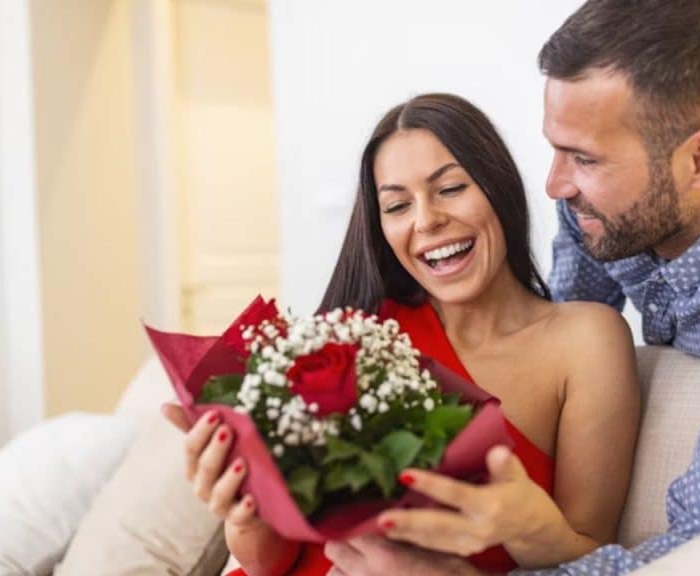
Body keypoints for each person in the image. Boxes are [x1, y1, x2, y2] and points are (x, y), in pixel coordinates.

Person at [325, 1, 700, 575]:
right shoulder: (599, 196)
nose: (553, 185)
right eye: (557, 149)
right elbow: (566, 336)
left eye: (585, 159)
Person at [163, 93, 641, 575]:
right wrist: (243, 512)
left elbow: (590, 559)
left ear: (499, 186)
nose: (426, 220)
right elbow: (270, 561)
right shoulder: (352, 340)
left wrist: (520, 523)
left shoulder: (586, 340)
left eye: (450, 188)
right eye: (396, 205)